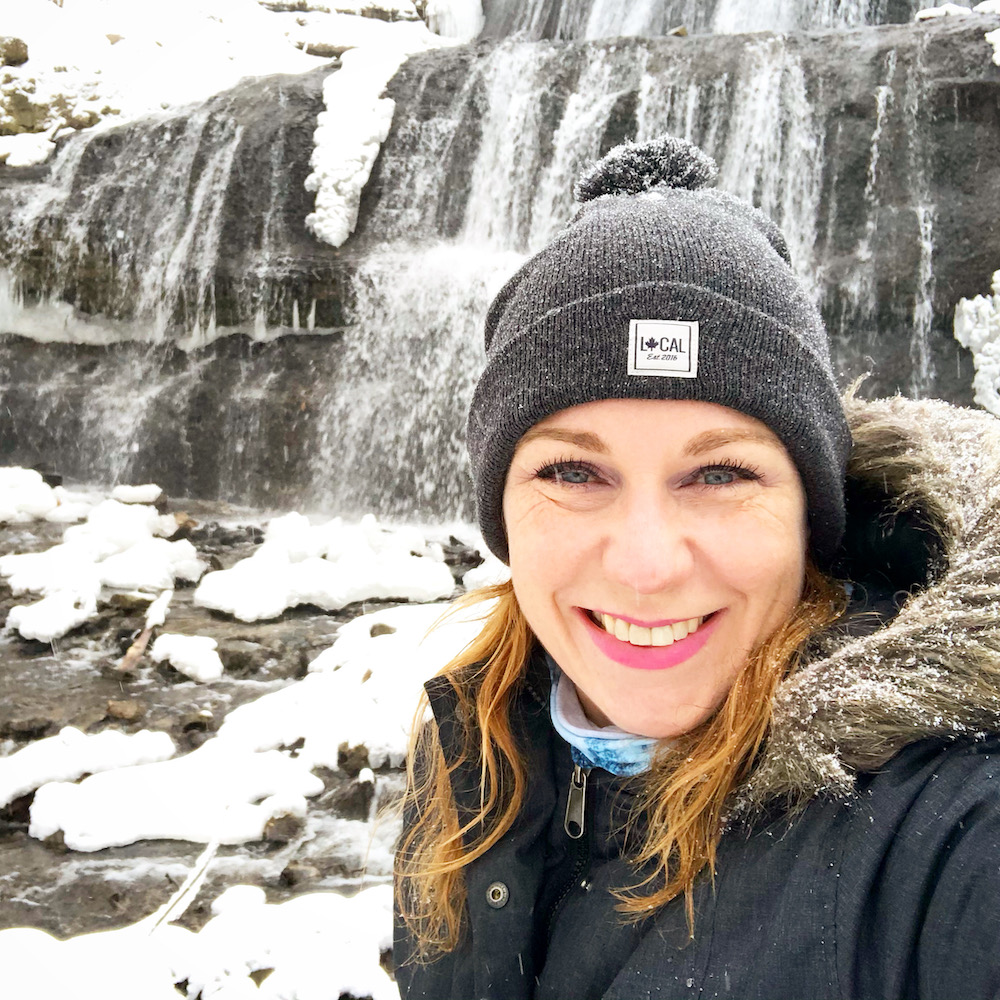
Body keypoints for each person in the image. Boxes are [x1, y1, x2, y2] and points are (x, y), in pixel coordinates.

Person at [393, 134, 1000, 999]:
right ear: (500, 514)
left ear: (810, 516)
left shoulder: (943, 829)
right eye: (572, 471)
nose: (646, 565)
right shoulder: (473, 756)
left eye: (720, 474)